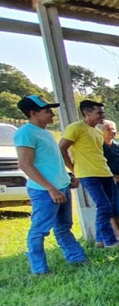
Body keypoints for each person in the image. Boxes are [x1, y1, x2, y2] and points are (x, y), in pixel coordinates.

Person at [14, 95, 87, 274]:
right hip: (45, 192)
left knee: (63, 226)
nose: (52, 114)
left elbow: (49, 162)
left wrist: (68, 176)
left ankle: (77, 259)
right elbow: (25, 164)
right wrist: (50, 188)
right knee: (39, 230)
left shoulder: (44, 132)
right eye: (47, 111)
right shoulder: (26, 133)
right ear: (33, 113)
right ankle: (39, 269)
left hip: (61, 187)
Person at [58, 100, 117, 248]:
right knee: (104, 206)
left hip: (104, 172)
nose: (102, 115)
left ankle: (100, 241)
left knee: (107, 206)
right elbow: (62, 149)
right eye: (99, 113)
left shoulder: (98, 130)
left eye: (103, 112)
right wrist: (73, 169)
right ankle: (111, 242)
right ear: (87, 113)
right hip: (88, 174)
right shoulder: (76, 128)